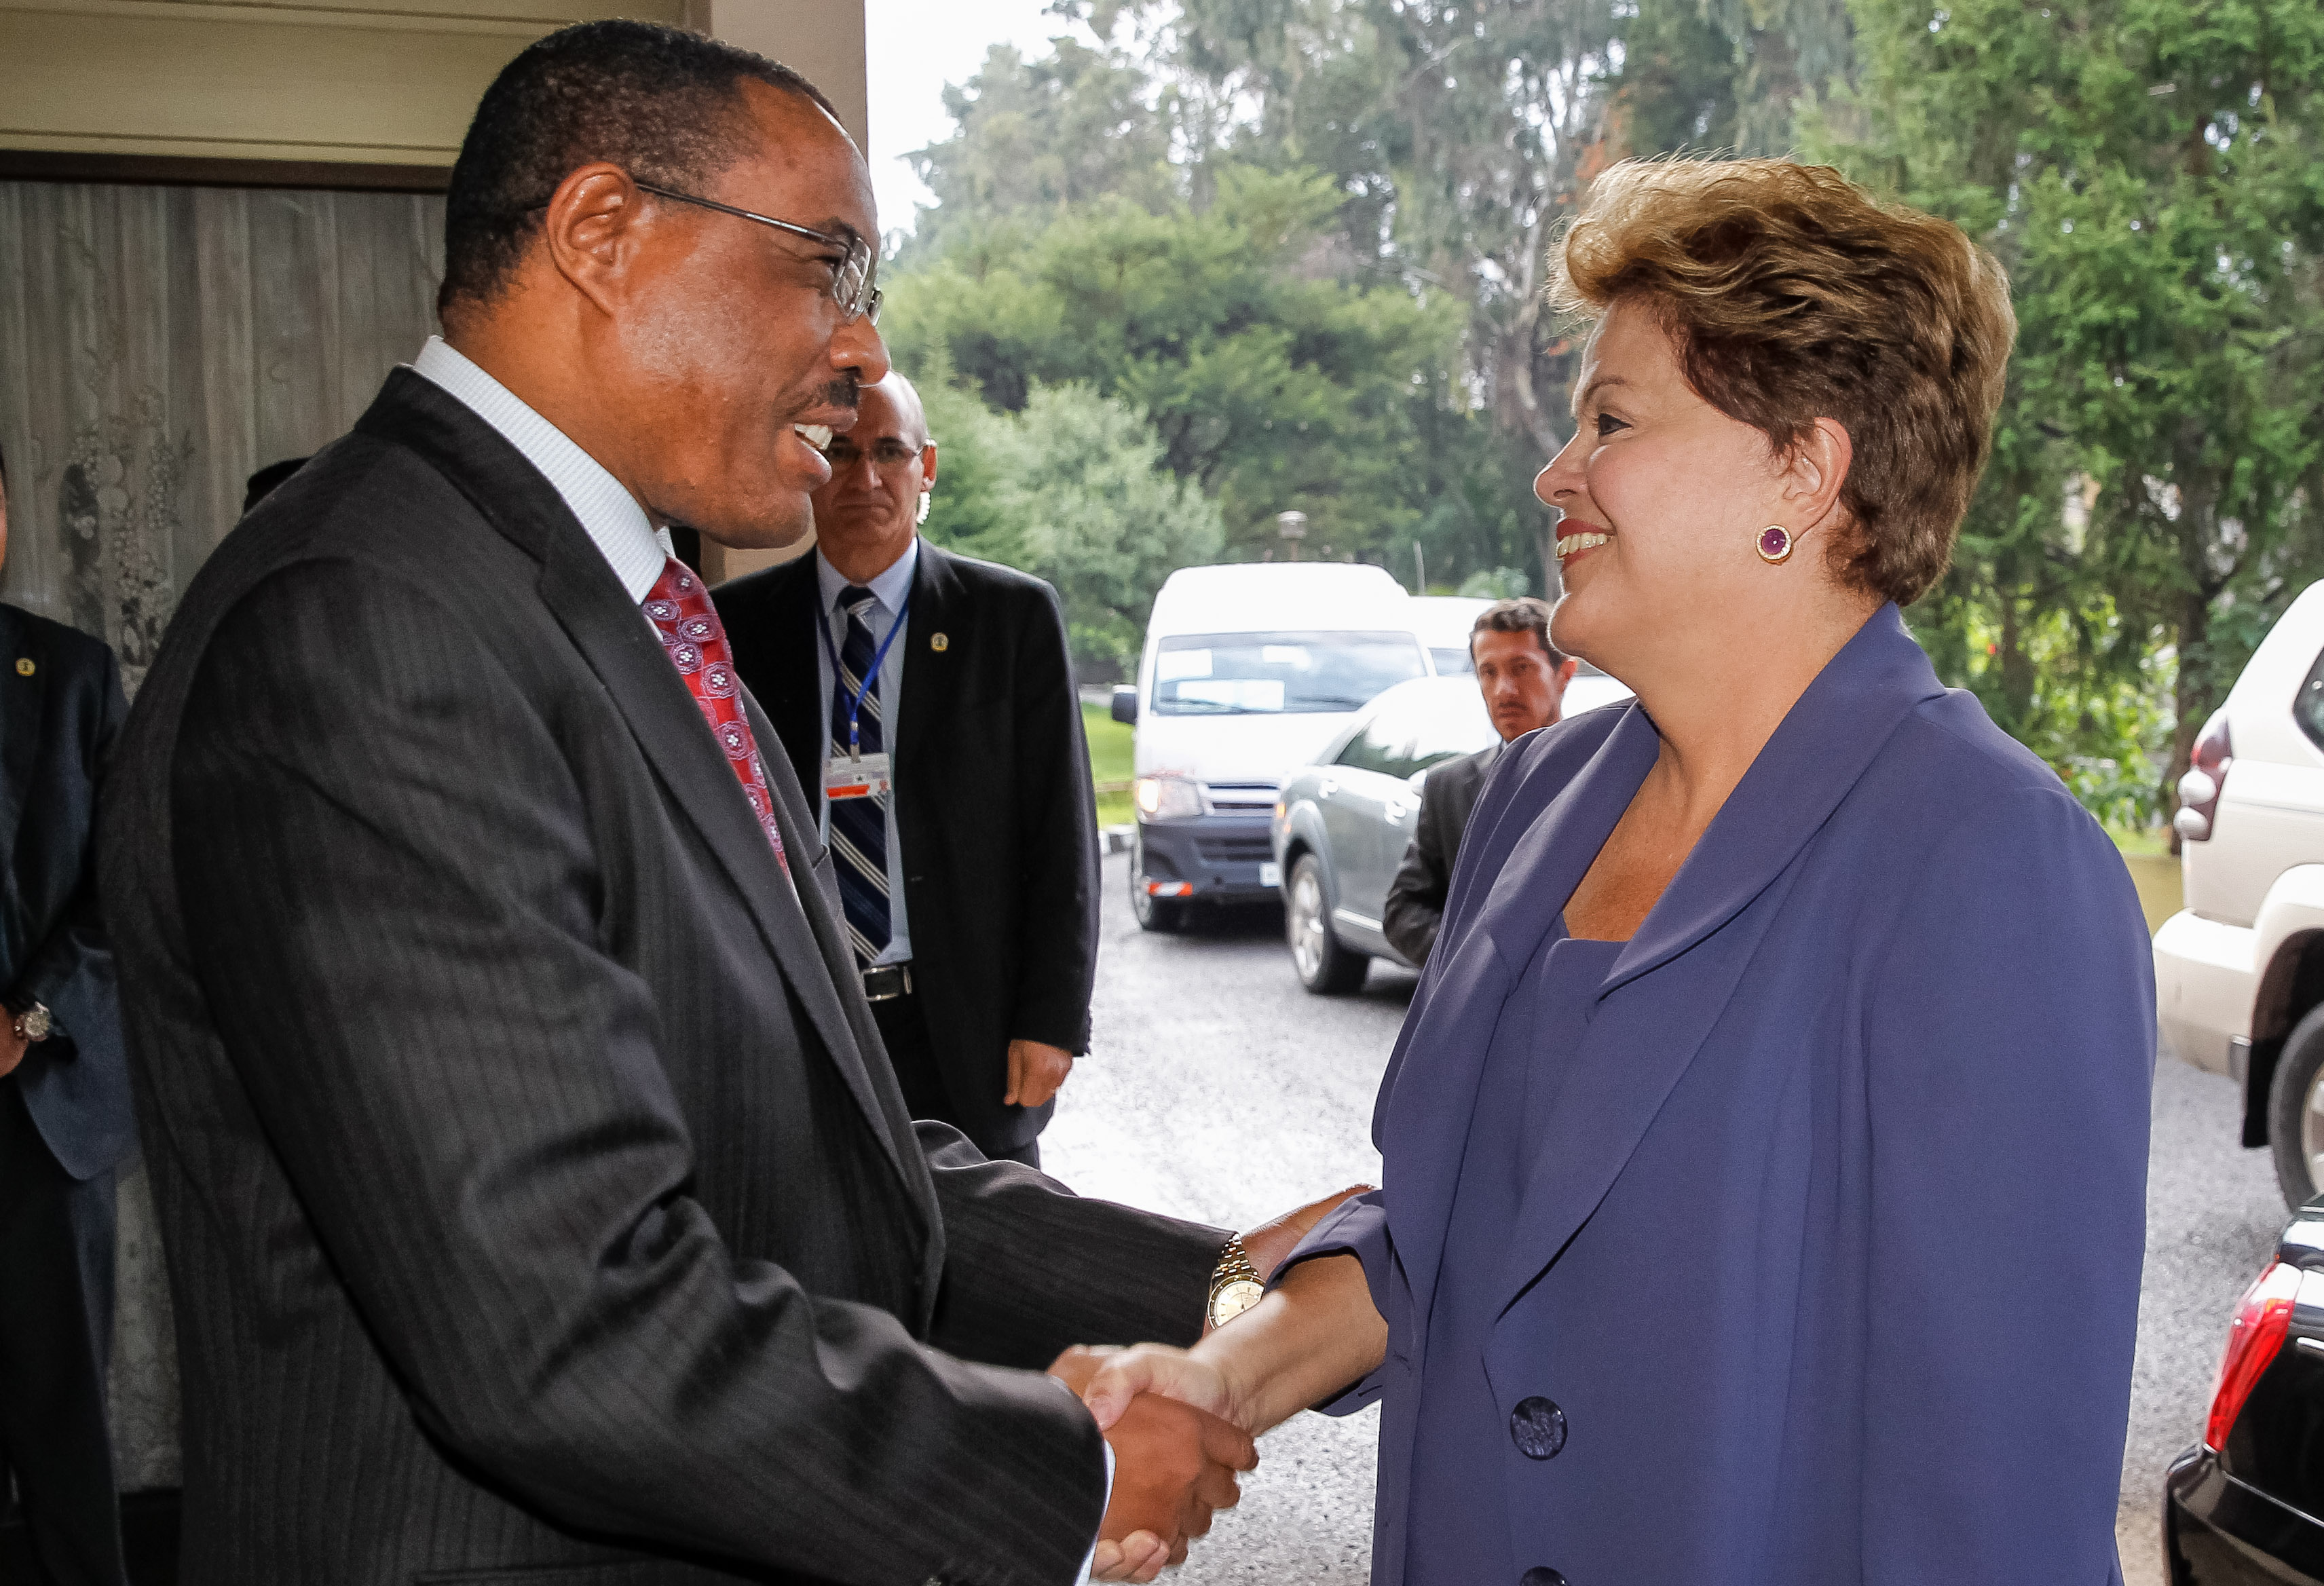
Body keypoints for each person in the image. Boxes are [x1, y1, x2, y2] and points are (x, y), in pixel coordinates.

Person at [96, 23, 1342, 1585]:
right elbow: (560, 1315)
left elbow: (848, 1169)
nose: (860, 353)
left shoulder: (632, 622)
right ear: (602, 233)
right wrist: (1066, 1462)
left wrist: (1241, 1285)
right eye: (826, 265)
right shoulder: (373, 623)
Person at [1078, 157, 2157, 1586]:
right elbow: (1454, 1232)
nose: (1555, 472)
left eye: (1611, 418)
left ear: (1803, 468)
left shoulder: (1990, 861)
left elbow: (1996, 1496)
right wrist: (1231, 1372)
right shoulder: (1527, 803)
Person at [715, 373, 1095, 1167]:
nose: (864, 478)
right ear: (805, 465)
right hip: (805, 1026)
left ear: (925, 467)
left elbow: (1061, 835)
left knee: (995, 1267)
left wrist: (1052, 1019)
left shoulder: (1009, 618)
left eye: (888, 452)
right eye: (841, 452)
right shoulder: (737, 630)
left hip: (966, 1029)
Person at [0, 443, 134, 1586]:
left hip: (45, 1108)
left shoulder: (75, 674)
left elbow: (122, 880)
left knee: (63, 1423)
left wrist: (31, 1011)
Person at [1381, 597, 1575, 966]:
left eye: (1522, 668)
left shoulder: (1605, 774)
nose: (1504, 689)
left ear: (1564, 674)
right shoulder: (1449, 787)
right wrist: (1473, 963)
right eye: (1489, 672)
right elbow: (1404, 910)